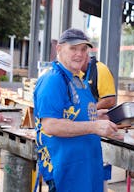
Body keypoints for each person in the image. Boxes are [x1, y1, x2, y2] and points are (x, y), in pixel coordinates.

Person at [34, 28, 118, 192]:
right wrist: (94, 127)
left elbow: (76, 112)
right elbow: (51, 125)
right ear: (59, 49)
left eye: (83, 49)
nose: (79, 54)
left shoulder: (78, 78)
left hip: (86, 167)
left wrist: (98, 116)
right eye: (73, 48)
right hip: (66, 169)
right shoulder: (53, 79)